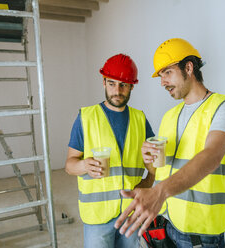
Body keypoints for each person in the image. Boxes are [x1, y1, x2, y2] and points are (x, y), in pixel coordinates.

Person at [114, 38, 225, 248]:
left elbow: (212, 156)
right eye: (160, 76)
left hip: (202, 235)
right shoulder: (170, 116)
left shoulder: (224, 107)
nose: (162, 82)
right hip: (169, 224)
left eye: (167, 72)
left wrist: (159, 193)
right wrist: (148, 158)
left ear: (188, 67)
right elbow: (159, 171)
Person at [65, 53, 155, 248]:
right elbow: (69, 165)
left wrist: (149, 181)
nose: (117, 90)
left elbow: (152, 158)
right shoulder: (86, 118)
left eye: (123, 85)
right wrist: (83, 165)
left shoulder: (140, 119)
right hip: (97, 216)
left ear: (132, 86)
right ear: (104, 82)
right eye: (112, 83)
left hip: (130, 213)